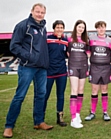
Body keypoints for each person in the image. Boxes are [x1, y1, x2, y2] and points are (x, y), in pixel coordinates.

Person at [3, 3, 53, 138]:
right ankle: (9, 126)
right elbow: (14, 46)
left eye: (42, 12)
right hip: (27, 66)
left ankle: (39, 121)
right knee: (20, 96)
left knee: (41, 95)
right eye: (37, 12)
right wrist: (29, 57)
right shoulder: (23, 25)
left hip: (41, 68)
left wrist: (44, 61)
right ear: (32, 11)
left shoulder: (43, 27)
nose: (40, 14)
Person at [85, 21, 111, 121]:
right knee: (94, 90)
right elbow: (88, 51)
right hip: (94, 67)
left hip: (106, 68)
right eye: (99, 27)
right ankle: (92, 112)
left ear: (105, 28)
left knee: (104, 90)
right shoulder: (91, 39)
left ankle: (105, 112)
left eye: (103, 27)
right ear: (96, 29)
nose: (101, 29)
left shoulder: (110, 40)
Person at [43, 20, 68, 127]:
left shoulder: (66, 40)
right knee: (45, 95)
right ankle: (40, 118)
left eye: (61, 27)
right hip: (49, 72)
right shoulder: (47, 39)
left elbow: (67, 54)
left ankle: (60, 117)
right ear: (54, 28)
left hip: (62, 72)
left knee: (61, 95)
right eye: (57, 27)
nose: (59, 29)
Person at [68, 20, 90, 128]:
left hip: (83, 67)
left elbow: (89, 55)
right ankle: (73, 119)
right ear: (75, 27)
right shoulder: (70, 39)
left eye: (83, 27)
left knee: (81, 91)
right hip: (73, 67)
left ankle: (77, 114)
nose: (81, 29)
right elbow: (67, 53)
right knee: (74, 91)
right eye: (79, 26)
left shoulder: (86, 41)